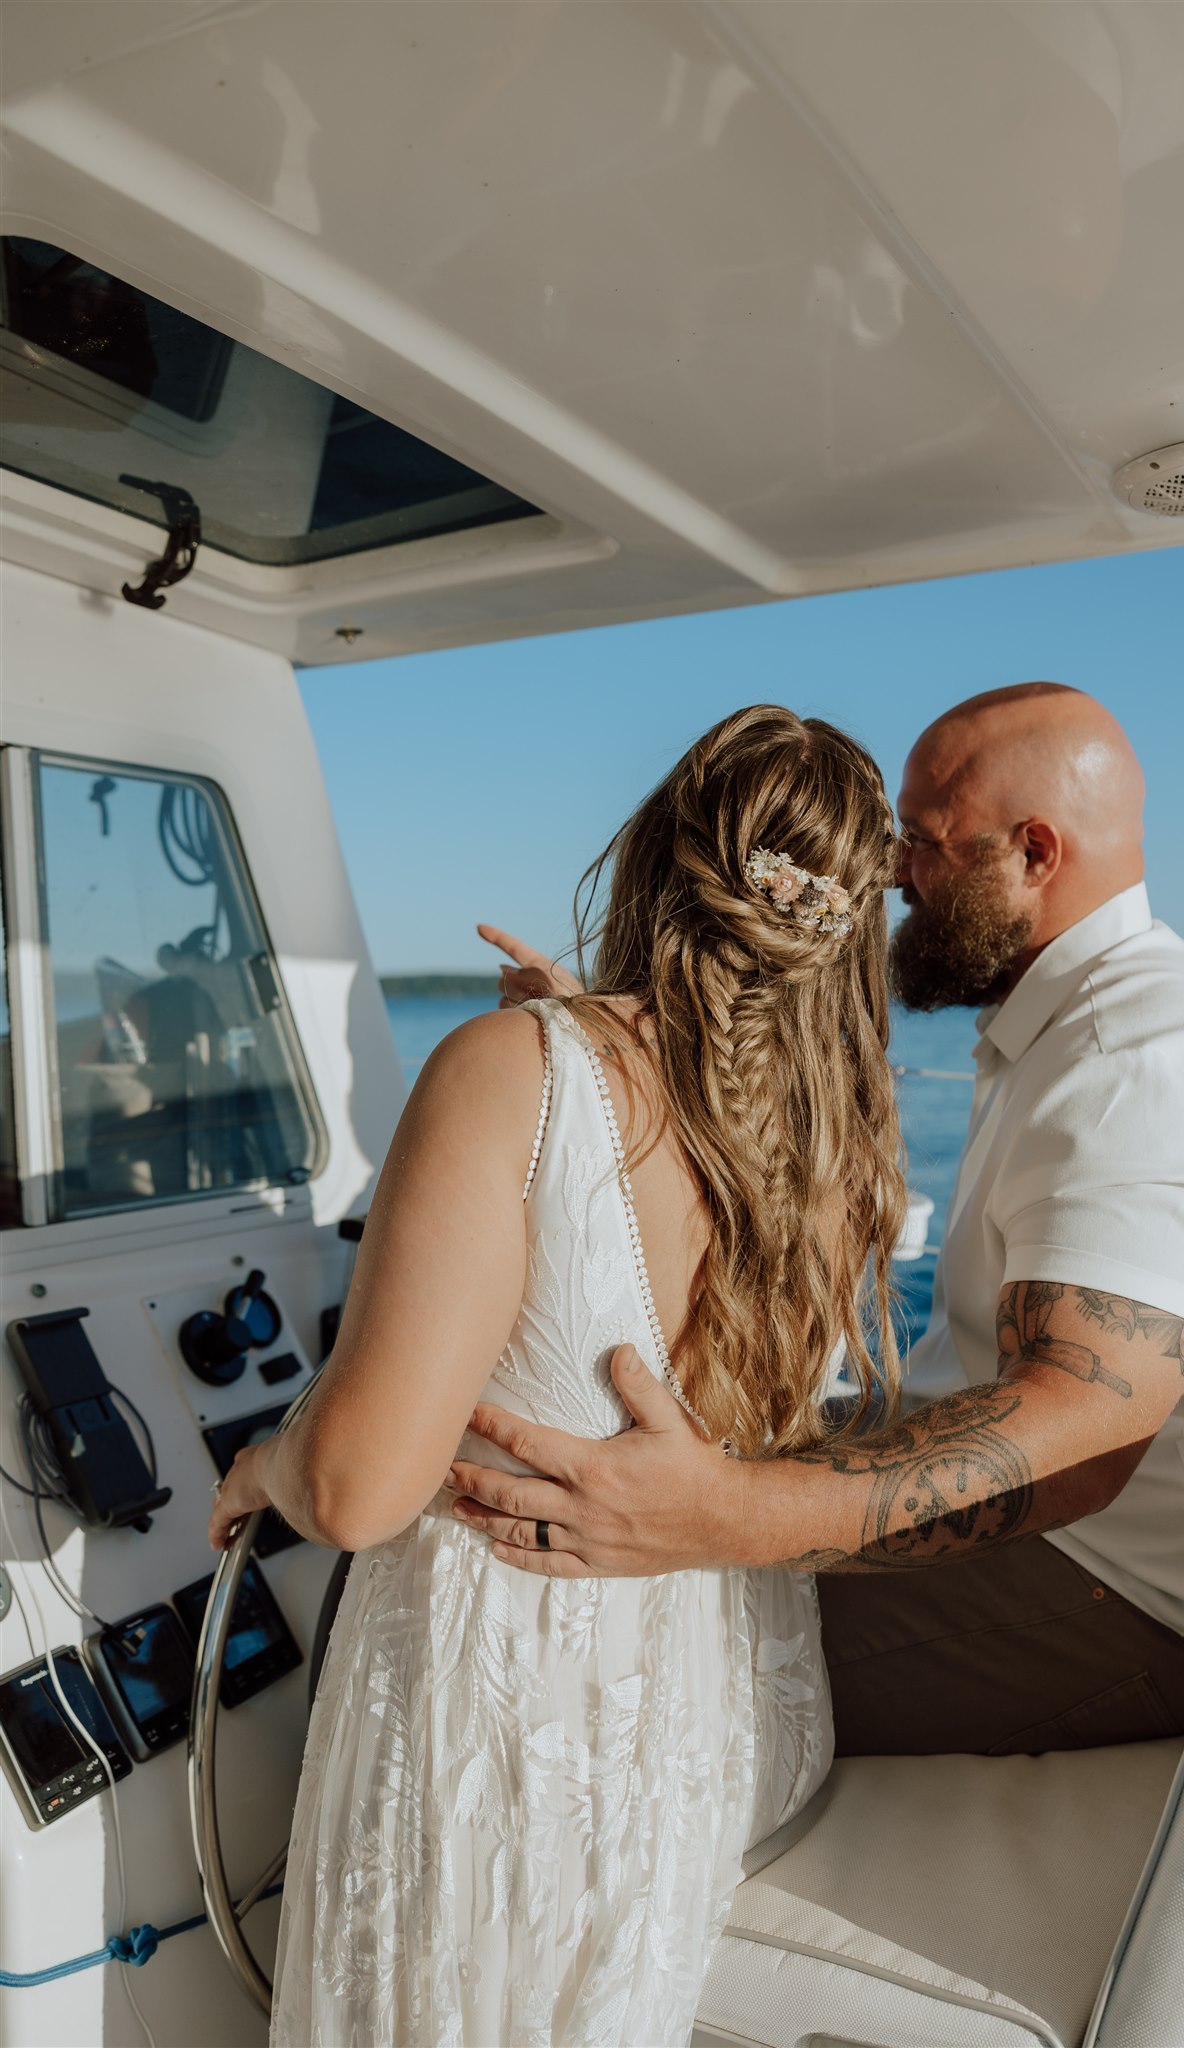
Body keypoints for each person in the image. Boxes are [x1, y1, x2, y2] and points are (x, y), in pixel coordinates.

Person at [450, 682, 1184, 1758]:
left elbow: (1075, 1440)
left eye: (923, 843)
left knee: (605, 1635)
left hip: (1128, 1595)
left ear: (1034, 853)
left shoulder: (1143, 1069)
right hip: (1088, 1545)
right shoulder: (1070, 1027)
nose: (887, 877)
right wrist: (614, 1070)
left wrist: (718, 1514)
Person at [207, 705, 910, 2047]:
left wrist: (265, 1458)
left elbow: (356, 1491)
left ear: (653, 856)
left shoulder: (507, 1075)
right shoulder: (842, 1149)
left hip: (515, 1736)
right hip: (709, 1725)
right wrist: (560, 1043)